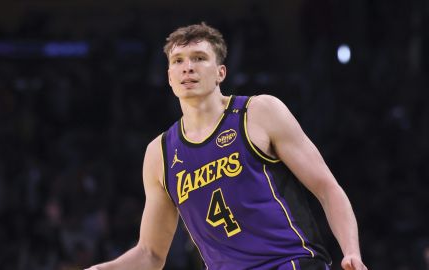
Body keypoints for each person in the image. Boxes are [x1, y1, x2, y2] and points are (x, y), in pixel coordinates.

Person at [86, 22, 368, 270]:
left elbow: (327, 188)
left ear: (221, 72)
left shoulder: (258, 112)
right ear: (170, 77)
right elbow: (150, 254)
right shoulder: (159, 153)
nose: (188, 67)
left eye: (199, 58)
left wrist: (351, 252)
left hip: (290, 263)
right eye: (178, 61)